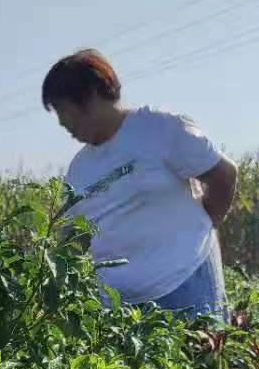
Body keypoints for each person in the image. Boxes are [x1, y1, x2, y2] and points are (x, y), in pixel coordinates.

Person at [43, 49, 238, 318]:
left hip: (186, 286)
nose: (63, 123)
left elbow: (223, 175)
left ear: (90, 95)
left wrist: (204, 225)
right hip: (121, 310)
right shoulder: (80, 169)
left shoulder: (160, 129)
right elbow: (74, 240)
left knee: (199, 358)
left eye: (63, 110)